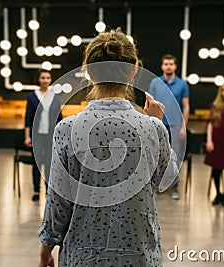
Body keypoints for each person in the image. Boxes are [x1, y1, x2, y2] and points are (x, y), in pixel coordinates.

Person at [37, 28, 179, 266]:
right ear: (134, 69)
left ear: (89, 71)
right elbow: (168, 179)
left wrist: (45, 250)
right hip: (139, 254)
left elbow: (58, 202)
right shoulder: (151, 128)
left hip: (84, 256)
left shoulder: (67, 129)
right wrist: (156, 123)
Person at [148, 54, 190, 200]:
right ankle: (156, 185)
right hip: (158, 125)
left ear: (175, 66)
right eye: (166, 64)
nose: (168, 66)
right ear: (162, 66)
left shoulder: (182, 84)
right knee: (157, 156)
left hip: (176, 126)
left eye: (171, 64)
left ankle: (174, 187)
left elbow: (186, 106)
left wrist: (184, 127)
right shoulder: (155, 82)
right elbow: (150, 104)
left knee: (176, 158)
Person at [24, 69, 61, 201]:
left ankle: (48, 189)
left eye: (48, 78)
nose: (45, 80)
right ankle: (36, 190)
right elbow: (28, 118)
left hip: (50, 136)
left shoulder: (55, 97)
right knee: (37, 164)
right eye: (43, 78)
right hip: (37, 135)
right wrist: (27, 136)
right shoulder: (32, 96)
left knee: (50, 163)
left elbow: (59, 118)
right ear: (38, 79)